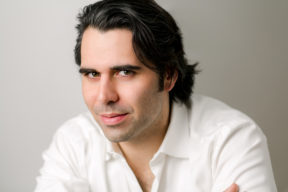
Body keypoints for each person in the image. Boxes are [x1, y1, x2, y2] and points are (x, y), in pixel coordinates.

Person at [35, 0, 277, 191]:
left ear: (169, 76)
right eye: (91, 74)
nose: (103, 97)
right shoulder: (73, 143)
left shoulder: (232, 140)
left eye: (124, 72)